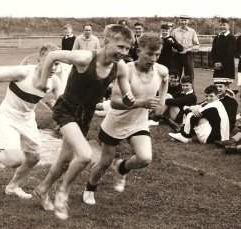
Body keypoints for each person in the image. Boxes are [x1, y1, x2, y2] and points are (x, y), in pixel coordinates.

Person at [33, 24, 135, 220]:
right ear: (106, 42)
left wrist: (129, 97)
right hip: (67, 109)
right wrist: (43, 81)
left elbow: (125, 90)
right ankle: (63, 192)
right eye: (120, 47)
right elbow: (53, 56)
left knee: (65, 161)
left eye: (127, 49)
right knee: (85, 155)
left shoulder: (120, 66)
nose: (123, 52)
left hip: (85, 115)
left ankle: (42, 189)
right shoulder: (86, 58)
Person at [82, 33, 168, 206]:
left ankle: (122, 167)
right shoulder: (126, 71)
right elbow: (114, 103)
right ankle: (90, 188)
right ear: (138, 51)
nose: (153, 58)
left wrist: (162, 102)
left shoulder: (161, 70)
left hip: (138, 123)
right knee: (104, 162)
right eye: (149, 54)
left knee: (145, 158)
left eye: (157, 54)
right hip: (116, 123)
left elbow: (165, 81)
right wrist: (141, 102)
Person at [0, 44, 63, 200]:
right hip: (7, 116)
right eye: (50, 62)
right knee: (14, 160)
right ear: (40, 59)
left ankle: (12, 187)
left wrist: (58, 107)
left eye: (57, 63)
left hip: (27, 119)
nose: (53, 68)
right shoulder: (23, 73)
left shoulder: (55, 81)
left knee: (34, 157)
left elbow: (62, 103)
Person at [168, 84, 233, 144]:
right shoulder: (218, 103)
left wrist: (188, 108)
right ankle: (184, 132)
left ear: (217, 96)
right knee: (198, 115)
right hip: (223, 138)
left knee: (193, 116)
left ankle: (185, 136)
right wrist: (193, 108)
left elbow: (193, 116)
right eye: (206, 96)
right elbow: (199, 108)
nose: (208, 98)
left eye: (211, 96)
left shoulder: (213, 106)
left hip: (213, 139)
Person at [171, 15, 200, 80]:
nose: (183, 22)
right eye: (182, 20)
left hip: (188, 56)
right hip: (177, 56)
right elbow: (171, 45)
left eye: (185, 20)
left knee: (189, 76)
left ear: (188, 21)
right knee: (176, 76)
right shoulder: (174, 31)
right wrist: (177, 50)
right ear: (179, 21)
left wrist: (187, 50)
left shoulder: (192, 32)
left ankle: (191, 90)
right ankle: (176, 90)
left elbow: (197, 45)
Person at [211, 18, 237, 84]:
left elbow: (230, 54)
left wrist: (222, 63)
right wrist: (215, 62)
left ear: (228, 26)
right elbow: (213, 52)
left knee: (225, 88)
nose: (222, 27)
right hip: (217, 68)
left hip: (227, 68)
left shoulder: (231, 38)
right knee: (217, 88)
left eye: (224, 25)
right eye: (220, 25)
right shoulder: (216, 38)